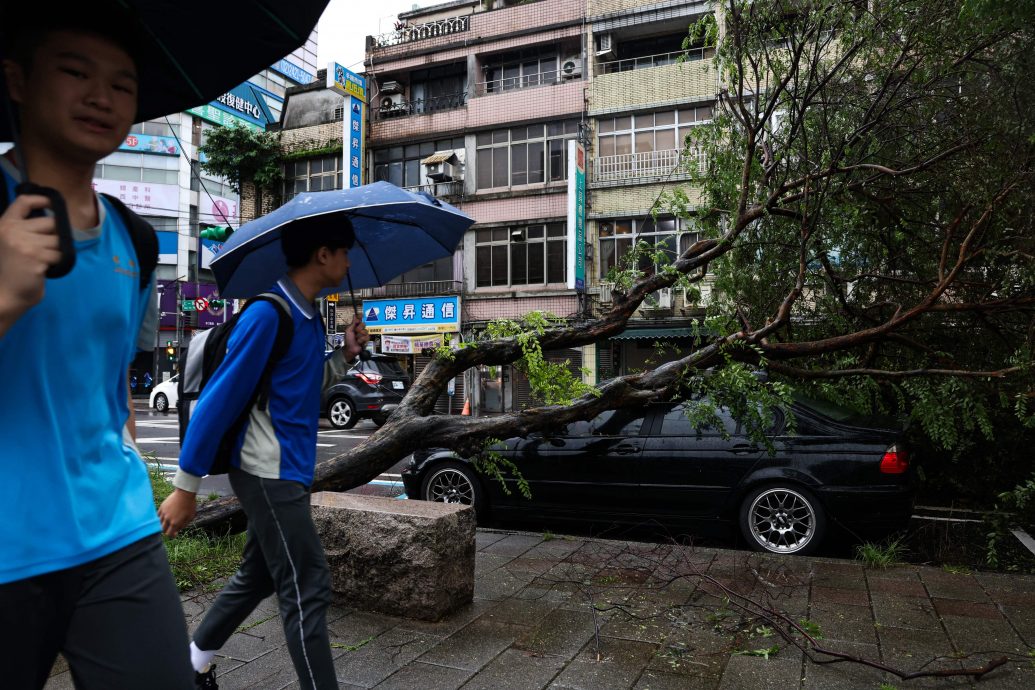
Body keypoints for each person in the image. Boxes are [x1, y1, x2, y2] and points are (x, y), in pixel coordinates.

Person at [0, 8, 194, 689]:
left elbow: (112, 392)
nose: (101, 97)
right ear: (18, 81)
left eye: (122, 84)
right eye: (75, 72)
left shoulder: (138, 241)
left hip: (117, 532)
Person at [159, 223, 369, 690]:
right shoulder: (267, 315)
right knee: (307, 584)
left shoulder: (308, 317)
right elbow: (220, 399)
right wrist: (186, 486)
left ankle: (192, 663)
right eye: (344, 253)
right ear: (322, 254)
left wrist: (346, 355)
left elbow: (300, 389)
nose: (349, 263)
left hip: (288, 467)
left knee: (260, 573)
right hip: (265, 468)